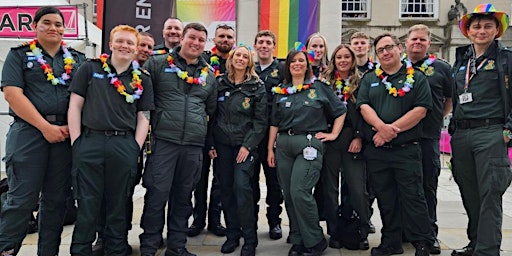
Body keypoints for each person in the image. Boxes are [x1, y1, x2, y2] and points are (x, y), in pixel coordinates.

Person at [0, 6, 86, 256]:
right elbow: (13, 95)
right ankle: (6, 249)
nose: (53, 28)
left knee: (56, 201)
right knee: (20, 199)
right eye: (46, 23)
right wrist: (45, 127)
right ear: (34, 26)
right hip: (29, 134)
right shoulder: (19, 56)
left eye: (58, 24)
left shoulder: (77, 60)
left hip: (65, 136)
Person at [68, 24, 153, 255]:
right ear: (111, 44)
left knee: (118, 203)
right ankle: (80, 250)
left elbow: (144, 116)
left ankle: (116, 249)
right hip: (90, 142)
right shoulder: (89, 68)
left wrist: (134, 147)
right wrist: (77, 142)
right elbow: (75, 105)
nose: (125, 46)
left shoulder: (142, 79)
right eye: (121, 41)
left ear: (136, 49)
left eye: (130, 43)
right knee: (87, 203)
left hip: (123, 144)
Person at [139, 22, 217, 256]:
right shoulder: (158, 63)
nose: (196, 43)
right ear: (182, 39)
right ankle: (149, 246)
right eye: (192, 37)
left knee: (183, 198)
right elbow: (144, 101)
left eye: (201, 40)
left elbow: (210, 109)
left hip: (193, 146)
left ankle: (177, 247)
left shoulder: (208, 75)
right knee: (156, 196)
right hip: (164, 142)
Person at [356, 33, 433, 256]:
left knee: (414, 197)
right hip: (378, 151)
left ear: (399, 48)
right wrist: (381, 128)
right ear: (376, 55)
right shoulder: (370, 78)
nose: (386, 52)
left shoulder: (416, 77)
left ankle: (422, 242)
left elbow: (420, 110)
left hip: (406, 150)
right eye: (380, 50)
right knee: (386, 199)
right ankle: (391, 242)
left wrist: (389, 132)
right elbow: (363, 106)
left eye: (389, 47)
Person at [267, 48, 347, 256]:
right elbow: (274, 122)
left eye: (301, 60)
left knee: (299, 191)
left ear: (307, 64)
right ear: (287, 66)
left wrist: (333, 135)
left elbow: (340, 111)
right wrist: (270, 149)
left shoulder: (319, 87)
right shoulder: (280, 91)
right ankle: (298, 237)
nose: (297, 64)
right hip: (284, 143)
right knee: (289, 195)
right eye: (292, 61)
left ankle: (315, 240)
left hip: (309, 143)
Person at [450, 4, 512, 256]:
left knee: (489, 194)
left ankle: (487, 250)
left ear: (497, 30)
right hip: (462, 134)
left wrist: (508, 130)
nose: (481, 30)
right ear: (468, 31)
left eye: (488, 26)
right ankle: (475, 243)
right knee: (470, 193)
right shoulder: (462, 60)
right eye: (476, 26)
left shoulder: (506, 58)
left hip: (491, 131)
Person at [91, 30, 156, 256]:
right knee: (102, 193)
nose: (145, 50)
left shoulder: (149, 73)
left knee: (125, 192)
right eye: (143, 46)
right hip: (115, 142)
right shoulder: (106, 70)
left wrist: (134, 148)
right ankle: (102, 236)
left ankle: (119, 236)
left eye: (149, 47)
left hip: (137, 146)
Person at [208, 45, 267, 256]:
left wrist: (247, 145)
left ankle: (250, 239)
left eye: (245, 56)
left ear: (250, 62)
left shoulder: (257, 86)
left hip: (245, 146)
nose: (241, 59)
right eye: (237, 55)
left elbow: (260, 121)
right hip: (222, 145)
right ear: (231, 59)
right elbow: (212, 115)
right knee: (225, 189)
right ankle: (232, 235)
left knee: (242, 187)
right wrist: (211, 143)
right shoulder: (219, 83)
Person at [404, 24, 453, 255]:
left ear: (429, 43)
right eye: (414, 39)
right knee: (402, 186)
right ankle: (406, 231)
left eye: (422, 40)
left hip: (427, 137)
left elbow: (450, 99)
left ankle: (429, 233)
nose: (418, 43)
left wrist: (436, 117)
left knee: (427, 187)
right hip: (401, 138)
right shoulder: (396, 67)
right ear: (406, 42)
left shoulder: (441, 68)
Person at [319, 44, 370, 251]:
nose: (342, 60)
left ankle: (362, 229)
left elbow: (366, 111)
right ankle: (335, 231)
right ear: (333, 60)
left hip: (351, 138)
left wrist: (358, 136)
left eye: (346, 57)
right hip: (330, 138)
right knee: (330, 190)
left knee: (358, 190)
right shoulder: (324, 83)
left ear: (352, 59)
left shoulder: (362, 81)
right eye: (338, 57)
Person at [188, 24, 236, 238]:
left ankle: (216, 221)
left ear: (233, 41)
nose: (225, 40)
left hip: (225, 129)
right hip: (202, 127)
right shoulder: (204, 61)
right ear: (214, 39)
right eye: (221, 36)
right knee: (199, 178)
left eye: (229, 37)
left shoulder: (237, 61)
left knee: (220, 180)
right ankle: (198, 220)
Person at [252, 30, 284, 241]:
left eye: (268, 42)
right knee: (249, 181)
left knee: (274, 182)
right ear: (255, 46)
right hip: (252, 134)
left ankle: (275, 222)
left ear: (274, 46)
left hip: (274, 134)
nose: (264, 45)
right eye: (260, 42)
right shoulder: (248, 68)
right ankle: (250, 223)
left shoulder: (281, 70)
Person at [349, 31, 378, 235]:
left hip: (371, 132)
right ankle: (350, 218)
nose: (359, 46)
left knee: (370, 181)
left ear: (368, 46)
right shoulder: (346, 70)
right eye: (355, 43)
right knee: (351, 182)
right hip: (348, 131)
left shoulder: (376, 71)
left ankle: (365, 216)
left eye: (362, 43)